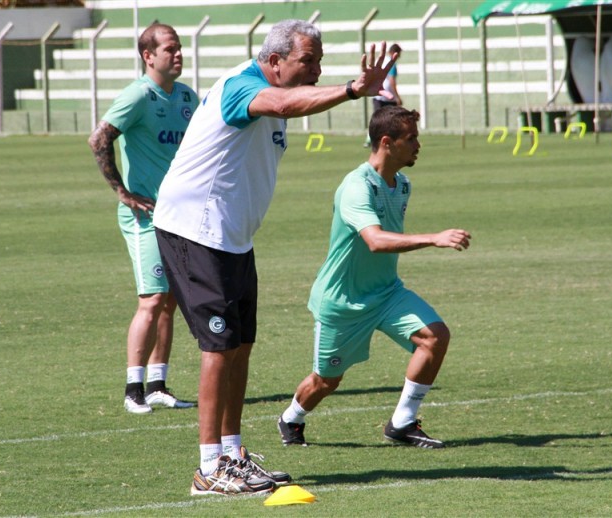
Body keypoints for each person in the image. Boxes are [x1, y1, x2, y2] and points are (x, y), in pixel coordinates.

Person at [151, 19, 397, 495]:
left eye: (320, 61)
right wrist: (350, 90)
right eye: (309, 61)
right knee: (218, 347)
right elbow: (283, 102)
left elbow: (288, 102)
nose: (316, 70)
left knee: (240, 345)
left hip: (232, 238)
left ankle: (234, 455)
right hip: (194, 231)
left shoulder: (273, 83)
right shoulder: (244, 86)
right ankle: (209, 467)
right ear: (274, 60)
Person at [278, 106, 471, 449]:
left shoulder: (402, 184)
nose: (418, 144)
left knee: (435, 337)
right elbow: (376, 240)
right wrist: (433, 238)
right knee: (326, 381)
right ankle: (291, 417)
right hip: (342, 303)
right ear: (387, 142)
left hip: (386, 293)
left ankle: (402, 423)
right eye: (410, 138)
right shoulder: (356, 187)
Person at [88, 23, 197, 415]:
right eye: (170, 49)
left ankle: (157, 385)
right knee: (150, 300)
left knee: (169, 301)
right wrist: (122, 191)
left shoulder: (187, 97)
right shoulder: (137, 95)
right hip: (145, 217)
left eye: (180, 48)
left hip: (179, 215)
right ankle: (132, 389)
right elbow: (99, 139)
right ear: (148, 56)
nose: (178, 54)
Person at [365, 43, 402, 147]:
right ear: (395, 53)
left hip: (377, 94)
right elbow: (392, 81)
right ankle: (395, 140)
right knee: (392, 120)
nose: (399, 56)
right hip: (388, 96)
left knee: (376, 119)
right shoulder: (392, 63)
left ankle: (370, 140)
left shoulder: (380, 60)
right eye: (399, 54)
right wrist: (397, 97)